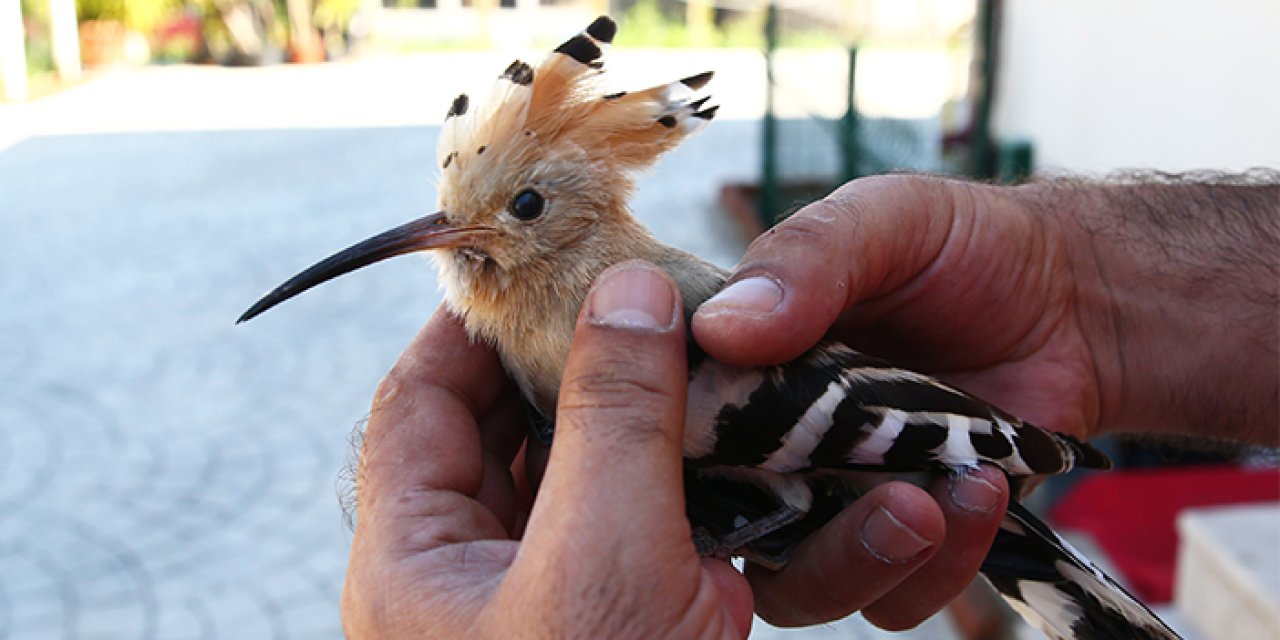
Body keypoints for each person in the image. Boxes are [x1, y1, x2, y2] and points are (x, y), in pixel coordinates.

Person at [340, 173, 1279, 638]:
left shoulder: (615, 307)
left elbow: (782, 468)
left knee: (807, 504)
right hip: (848, 443)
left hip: (876, 444)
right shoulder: (533, 340)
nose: (445, 235)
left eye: (525, 203)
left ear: (576, 211)